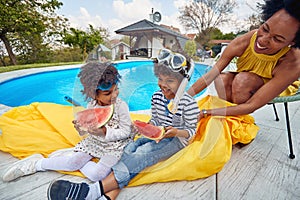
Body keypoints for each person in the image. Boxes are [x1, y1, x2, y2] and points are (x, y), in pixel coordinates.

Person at [47, 51, 200, 200]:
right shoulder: (156, 97)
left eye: (170, 81)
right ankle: (109, 196)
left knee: (144, 152)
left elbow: (191, 132)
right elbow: (156, 121)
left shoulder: (189, 103)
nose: (163, 85)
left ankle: (90, 192)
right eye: (160, 79)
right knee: (130, 148)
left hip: (176, 141)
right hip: (158, 137)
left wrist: (177, 132)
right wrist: (145, 127)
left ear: (183, 82)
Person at [2, 62, 134, 183]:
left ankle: (68, 156)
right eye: (107, 93)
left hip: (115, 146)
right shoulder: (91, 105)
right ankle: (36, 163)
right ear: (93, 94)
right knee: (72, 163)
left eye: (116, 89)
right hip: (95, 142)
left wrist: (105, 132)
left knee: (97, 175)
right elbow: (88, 130)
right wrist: (82, 128)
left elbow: (126, 131)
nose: (114, 95)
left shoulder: (121, 106)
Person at [188, 0, 300, 119]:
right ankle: (231, 122)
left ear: (292, 42)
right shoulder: (246, 40)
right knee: (222, 79)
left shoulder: (293, 63)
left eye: (277, 39)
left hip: (275, 84)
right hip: (245, 77)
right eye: (265, 29)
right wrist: (182, 99)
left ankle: (238, 126)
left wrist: (207, 112)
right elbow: (210, 75)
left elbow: (251, 105)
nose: (262, 40)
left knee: (243, 81)